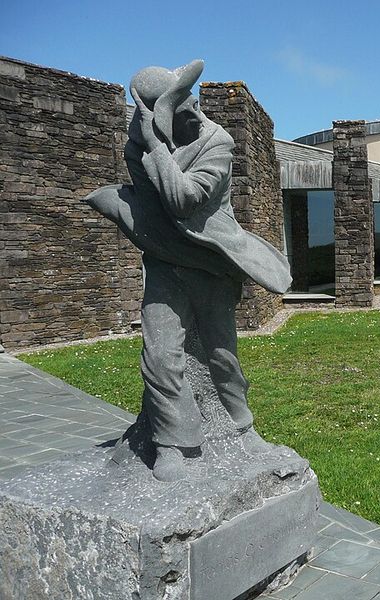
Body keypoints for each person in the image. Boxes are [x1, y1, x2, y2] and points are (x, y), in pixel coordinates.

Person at [86, 60, 291, 481]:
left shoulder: (218, 142)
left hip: (210, 262)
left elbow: (183, 201)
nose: (196, 112)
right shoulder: (137, 145)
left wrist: (157, 149)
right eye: (181, 109)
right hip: (166, 260)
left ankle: (242, 426)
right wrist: (149, 150)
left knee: (221, 354)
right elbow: (155, 207)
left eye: (192, 100)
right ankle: (171, 442)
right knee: (160, 355)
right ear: (158, 118)